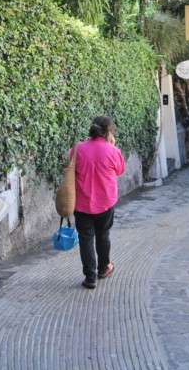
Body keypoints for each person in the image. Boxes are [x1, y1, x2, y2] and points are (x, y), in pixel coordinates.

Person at [72, 115, 126, 290]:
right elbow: (120, 170)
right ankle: (103, 269)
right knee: (103, 235)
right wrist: (112, 146)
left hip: (82, 203)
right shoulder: (113, 151)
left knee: (86, 238)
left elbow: (69, 168)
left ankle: (90, 277)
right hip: (106, 202)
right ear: (108, 132)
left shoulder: (77, 149)